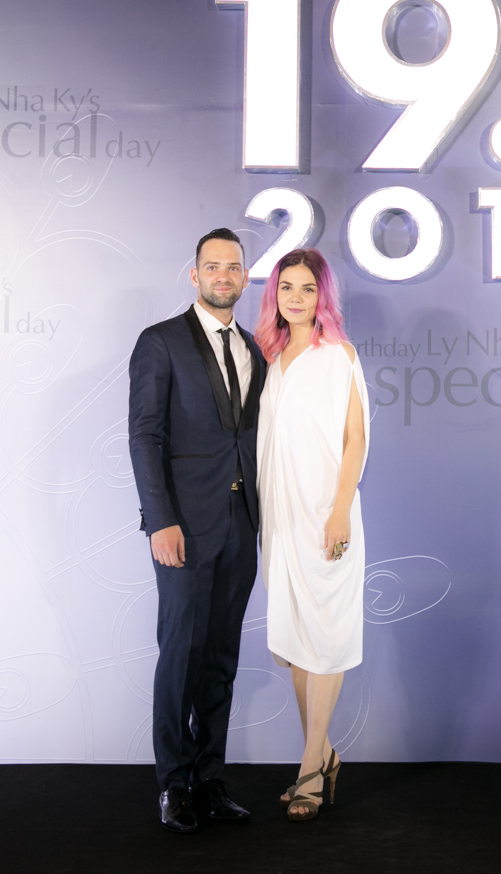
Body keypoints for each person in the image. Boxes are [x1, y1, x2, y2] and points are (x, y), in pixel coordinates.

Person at [127, 228, 267, 834]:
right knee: (181, 655)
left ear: (244, 277)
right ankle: (174, 784)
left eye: (233, 267)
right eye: (212, 267)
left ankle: (209, 779)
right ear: (195, 275)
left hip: (241, 523)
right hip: (182, 526)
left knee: (221, 659)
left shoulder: (255, 349)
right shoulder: (160, 342)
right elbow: (144, 435)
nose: (223, 276)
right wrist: (159, 519)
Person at [253, 247, 369, 822]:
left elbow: (355, 439)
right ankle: (323, 756)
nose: (295, 298)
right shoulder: (271, 359)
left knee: (324, 637)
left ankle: (309, 769)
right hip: (280, 522)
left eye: (306, 288)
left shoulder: (338, 355)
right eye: (286, 287)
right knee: (297, 640)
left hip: (326, 518)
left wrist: (340, 511)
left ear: (322, 295)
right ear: (274, 294)